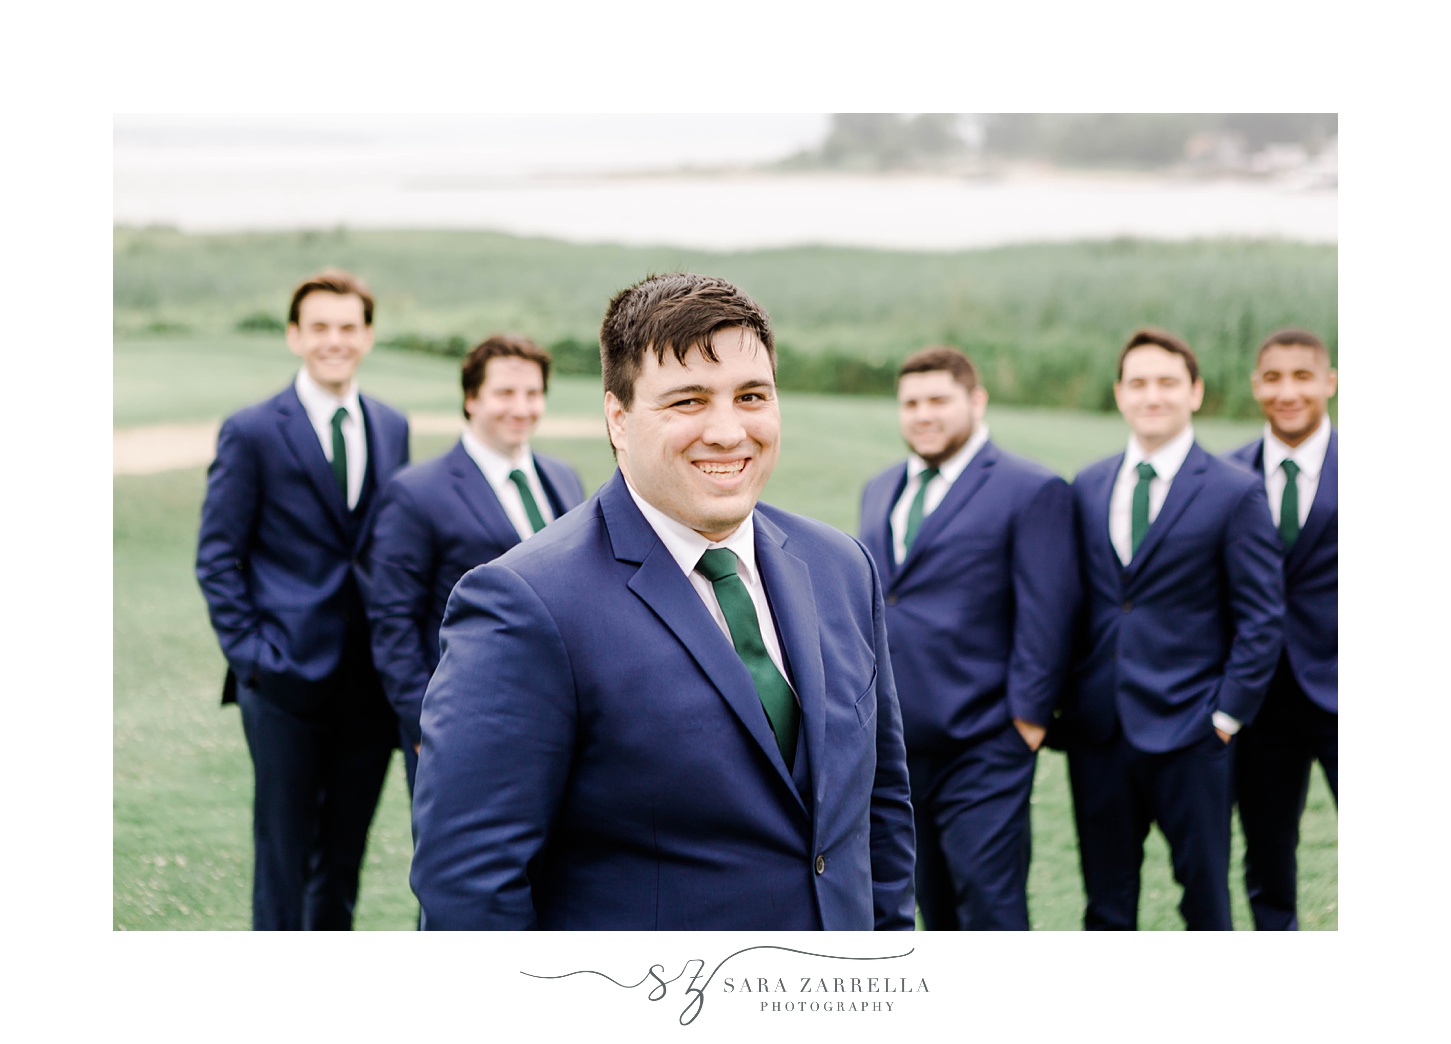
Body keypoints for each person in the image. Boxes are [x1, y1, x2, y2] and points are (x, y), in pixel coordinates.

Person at [409, 272, 916, 930]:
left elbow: (878, 813)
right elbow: (467, 891)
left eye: (751, 396)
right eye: (688, 402)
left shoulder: (841, 566)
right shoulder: (524, 605)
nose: (729, 431)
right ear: (618, 419)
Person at [196, 269, 410, 930]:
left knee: (342, 860)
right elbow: (217, 557)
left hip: (369, 683)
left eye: (348, 327)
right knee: (283, 860)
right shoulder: (253, 430)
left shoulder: (391, 425)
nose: (334, 340)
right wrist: (255, 657)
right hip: (283, 680)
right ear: (295, 336)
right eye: (320, 327)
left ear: (367, 336)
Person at [1060, 327, 1284, 930]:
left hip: (1192, 731)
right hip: (1100, 734)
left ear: (1195, 392)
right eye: (1138, 383)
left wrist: (1225, 716)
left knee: (1205, 901)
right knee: (1106, 906)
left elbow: (1262, 618)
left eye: (1166, 382)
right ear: (1119, 394)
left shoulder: (1236, 492)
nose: (1151, 395)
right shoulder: (1088, 485)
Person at [859, 347, 1078, 930]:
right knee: (928, 906)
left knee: (989, 907)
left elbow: (1048, 614)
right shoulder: (880, 488)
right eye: (910, 403)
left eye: (938, 400)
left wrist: (1026, 722)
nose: (922, 414)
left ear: (976, 401)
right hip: (898, 744)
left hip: (985, 742)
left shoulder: (1031, 488)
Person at [363, 334, 585, 792]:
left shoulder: (563, 477)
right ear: (470, 398)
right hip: (463, 719)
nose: (521, 408)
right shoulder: (417, 491)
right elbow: (392, 619)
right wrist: (424, 724)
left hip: (560, 715)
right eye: (505, 393)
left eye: (533, 393)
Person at [1225, 328, 1337, 930]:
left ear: (1329, 382)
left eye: (1302, 376)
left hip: (1347, 691)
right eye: (1273, 378)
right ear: (1256, 386)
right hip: (1261, 701)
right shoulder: (1225, 474)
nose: (1287, 391)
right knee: (1268, 857)